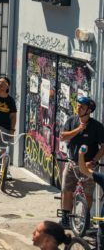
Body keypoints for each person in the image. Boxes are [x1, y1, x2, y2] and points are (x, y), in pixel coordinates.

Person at [58, 96, 104, 228]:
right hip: (72, 162)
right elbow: (62, 136)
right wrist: (78, 129)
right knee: (67, 190)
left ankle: (84, 218)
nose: (78, 108)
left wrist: (94, 161)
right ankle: (65, 218)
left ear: (89, 111)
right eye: (77, 106)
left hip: (88, 165)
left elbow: (103, 146)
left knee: (88, 193)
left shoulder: (97, 127)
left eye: (82, 107)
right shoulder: (72, 121)